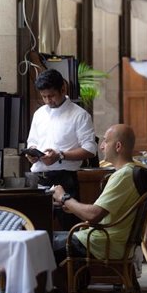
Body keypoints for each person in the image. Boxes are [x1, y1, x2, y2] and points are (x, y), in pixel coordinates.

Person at [50, 124, 142, 293]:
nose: (101, 147)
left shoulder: (124, 175)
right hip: (107, 237)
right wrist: (73, 206)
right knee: (51, 240)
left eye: (106, 142)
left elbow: (93, 216)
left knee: (42, 245)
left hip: (104, 241)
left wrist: (64, 197)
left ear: (117, 146)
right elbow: (99, 211)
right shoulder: (133, 170)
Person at [25, 68, 97, 232]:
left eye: (51, 95)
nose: (48, 100)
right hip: (39, 178)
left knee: (69, 229)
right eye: (44, 97)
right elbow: (33, 142)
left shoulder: (80, 115)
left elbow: (90, 149)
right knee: (35, 228)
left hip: (65, 178)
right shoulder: (39, 114)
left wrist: (60, 155)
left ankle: (69, 258)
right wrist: (32, 154)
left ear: (63, 89)